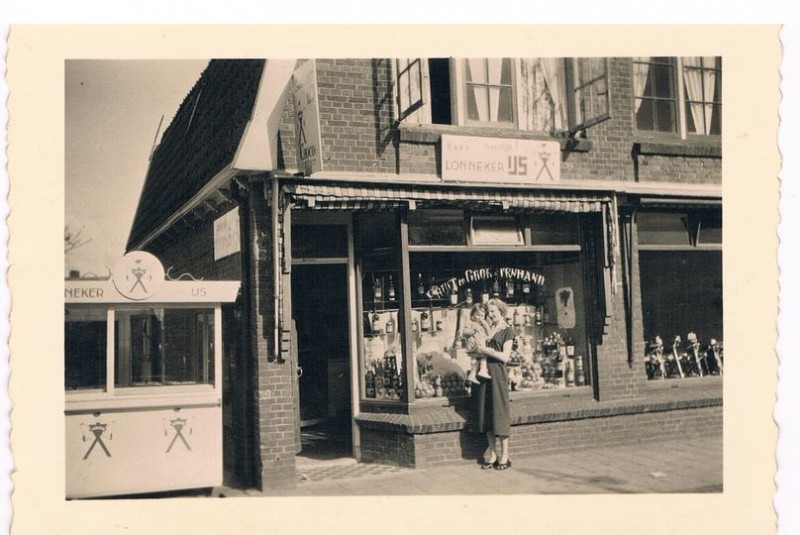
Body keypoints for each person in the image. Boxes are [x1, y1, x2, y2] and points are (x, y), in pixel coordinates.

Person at [472, 298, 515, 470]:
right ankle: (493, 453)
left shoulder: (508, 331)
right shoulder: (488, 330)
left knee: (500, 413)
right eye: (489, 312)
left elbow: (505, 357)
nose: (491, 315)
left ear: (502, 312)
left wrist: (488, 350)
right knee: (487, 414)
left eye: (494, 312)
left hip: (498, 374)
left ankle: (505, 455)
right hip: (484, 375)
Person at [459, 303, 492, 384]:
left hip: (479, 345)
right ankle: (483, 370)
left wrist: (485, 325)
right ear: (472, 315)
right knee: (484, 356)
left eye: (482, 316)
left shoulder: (483, 324)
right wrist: (472, 331)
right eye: (477, 315)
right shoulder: (470, 323)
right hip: (474, 345)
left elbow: (489, 333)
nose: (480, 318)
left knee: (477, 361)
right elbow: (464, 331)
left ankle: (472, 376)